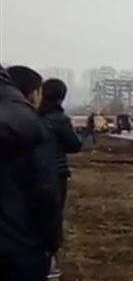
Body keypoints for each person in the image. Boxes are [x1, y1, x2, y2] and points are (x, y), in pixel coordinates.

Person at [1, 65, 61, 281]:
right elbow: (45, 193)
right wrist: (52, 242)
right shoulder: (31, 130)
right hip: (24, 249)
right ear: (33, 93)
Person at [39, 79, 83, 212]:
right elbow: (75, 145)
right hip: (56, 173)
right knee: (53, 216)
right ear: (62, 97)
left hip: (31, 171)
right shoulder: (59, 119)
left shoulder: (31, 115)